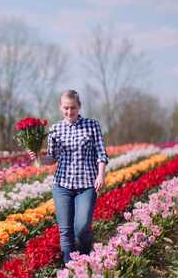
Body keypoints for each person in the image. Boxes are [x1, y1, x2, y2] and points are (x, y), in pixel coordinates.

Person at [28, 89, 108, 264]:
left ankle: (86, 258)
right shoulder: (55, 129)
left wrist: (101, 175)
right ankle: (70, 269)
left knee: (81, 228)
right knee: (65, 231)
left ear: (79, 107)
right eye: (66, 108)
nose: (69, 112)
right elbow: (52, 158)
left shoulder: (92, 125)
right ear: (60, 107)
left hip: (86, 185)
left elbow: (101, 154)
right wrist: (39, 157)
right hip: (62, 185)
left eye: (73, 108)